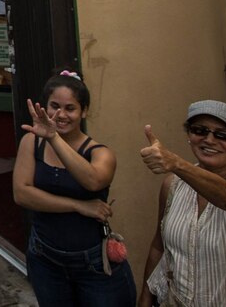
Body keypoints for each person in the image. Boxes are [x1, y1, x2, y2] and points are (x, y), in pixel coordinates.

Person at [139, 101, 226, 307]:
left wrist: (176, 163)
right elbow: (159, 246)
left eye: (222, 135)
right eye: (200, 131)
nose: (209, 140)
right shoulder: (173, 185)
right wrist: (145, 296)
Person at [12, 71, 136, 306]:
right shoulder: (32, 141)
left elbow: (92, 181)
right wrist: (79, 206)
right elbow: (22, 194)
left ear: (84, 111)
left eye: (70, 108)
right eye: (54, 106)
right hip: (44, 259)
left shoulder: (100, 153)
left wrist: (53, 138)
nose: (60, 115)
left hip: (94, 264)